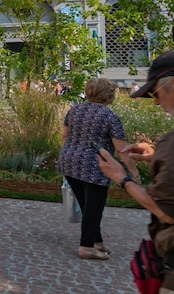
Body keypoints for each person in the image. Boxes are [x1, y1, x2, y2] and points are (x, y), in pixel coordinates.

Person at [99, 49, 174, 291]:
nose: (157, 102)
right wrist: (157, 157)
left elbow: (168, 212)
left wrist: (122, 178)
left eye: (156, 93)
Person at [57, 78, 132, 260]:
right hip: (95, 166)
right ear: (108, 95)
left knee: (87, 205)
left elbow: (64, 137)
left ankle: (96, 241)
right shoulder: (110, 116)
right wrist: (133, 173)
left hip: (70, 161)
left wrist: (70, 153)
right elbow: (122, 149)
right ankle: (86, 247)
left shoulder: (74, 110)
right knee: (94, 207)